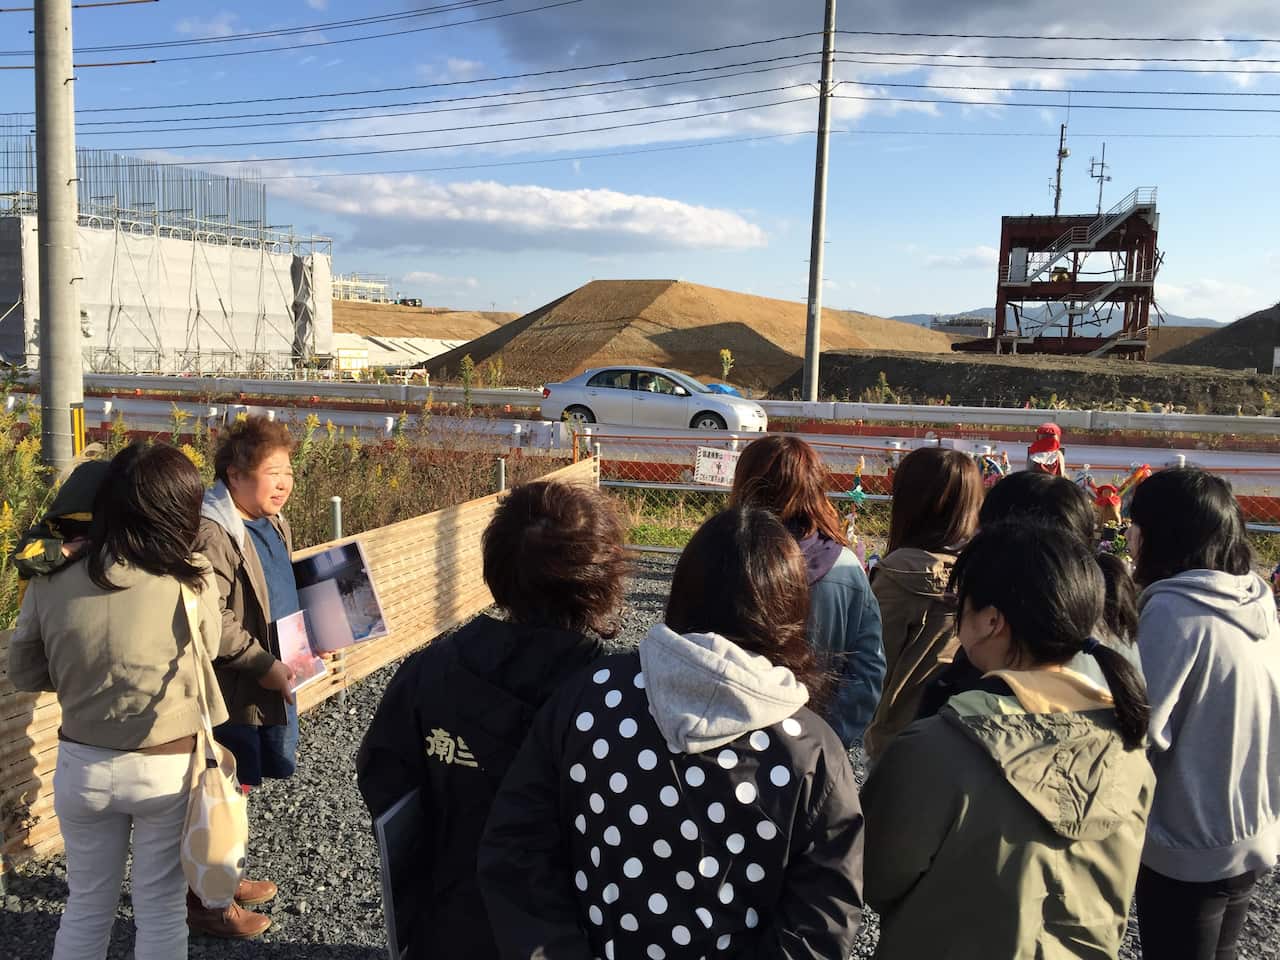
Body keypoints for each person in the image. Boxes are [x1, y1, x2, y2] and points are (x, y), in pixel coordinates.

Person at [478, 507, 865, 959]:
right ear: (790, 609)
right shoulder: (809, 749)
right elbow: (822, 916)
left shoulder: (590, 697)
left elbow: (518, 848)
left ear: (682, 593)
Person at [8, 442, 292, 960]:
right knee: (160, 908)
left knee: (86, 905)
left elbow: (26, 669)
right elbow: (207, 649)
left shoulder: (49, 579)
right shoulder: (190, 575)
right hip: (167, 766)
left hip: (82, 764)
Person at [356, 480, 631, 960]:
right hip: (572, 931)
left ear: (496, 569)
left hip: (450, 919)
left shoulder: (432, 671)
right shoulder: (614, 697)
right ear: (602, 578)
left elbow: (384, 776)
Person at [861, 521, 1155, 959]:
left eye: (961, 604)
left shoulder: (934, 750)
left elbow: (873, 877)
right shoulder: (1128, 744)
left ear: (991, 621)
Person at [1128, 469, 1280, 960]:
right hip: (1252, 822)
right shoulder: (1255, 598)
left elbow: (1142, 728)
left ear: (1162, 534)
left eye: (1136, 523)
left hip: (1188, 839)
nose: (1129, 534)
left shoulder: (1175, 611)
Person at [190, 414, 301, 938]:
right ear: (234, 475)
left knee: (242, 784)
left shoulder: (268, 520)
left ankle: (225, 876)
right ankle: (206, 903)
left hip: (267, 678)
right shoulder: (213, 530)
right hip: (233, 687)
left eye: (288, 472)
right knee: (220, 789)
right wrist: (264, 664)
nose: (284, 483)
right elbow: (217, 621)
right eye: (272, 472)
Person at [730, 434, 884, 746]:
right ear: (814, 487)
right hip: (811, 741)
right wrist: (829, 742)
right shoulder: (846, 566)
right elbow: (868, 668)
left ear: (746, 484)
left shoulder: (723, 556)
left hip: (727, 742)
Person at [862, 446, 982, 760]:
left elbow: (875, 665)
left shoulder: (901, 572)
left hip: (904, 739)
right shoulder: (985, 566)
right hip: (972, 733)